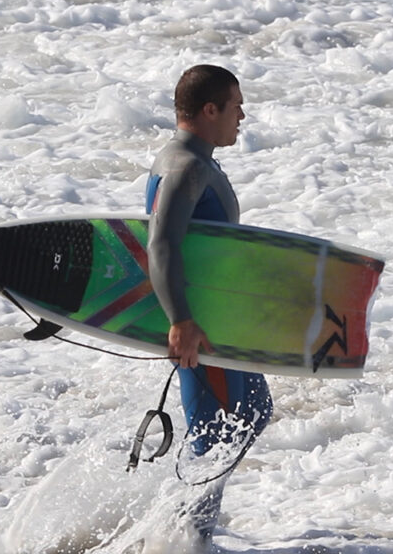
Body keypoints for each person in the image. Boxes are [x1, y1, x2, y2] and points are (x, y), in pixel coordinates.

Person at [145, 64, 273, 546]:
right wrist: (180, 320)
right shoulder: (185, 165)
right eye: (236, 105)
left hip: (217, 321)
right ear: (209, 109)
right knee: (216, 434)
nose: (243, 115)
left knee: (254, 410)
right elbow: (161, 245)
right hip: (200, 324)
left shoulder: (197, 160)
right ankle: (190, 540)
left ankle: (181, 530)